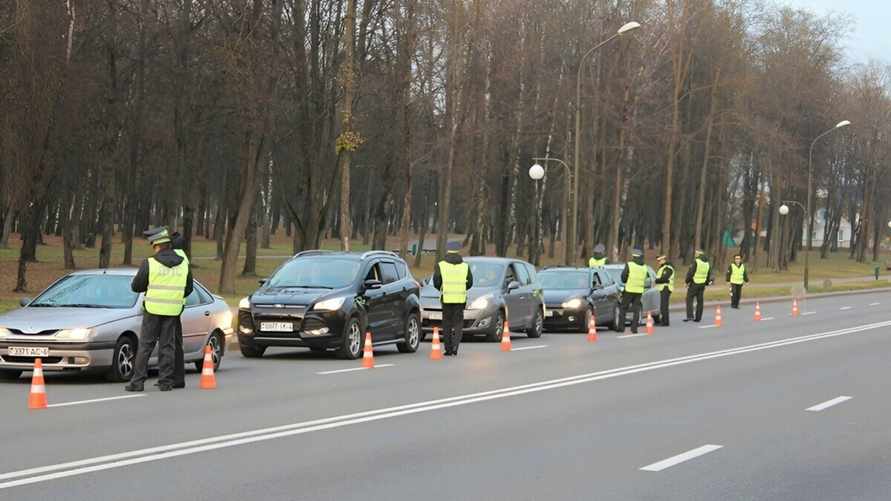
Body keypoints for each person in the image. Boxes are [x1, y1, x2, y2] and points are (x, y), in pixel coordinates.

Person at [125, 227, 193, 392]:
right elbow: (189, 288)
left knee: (146, 345)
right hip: (173, 310)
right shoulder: (183, 263)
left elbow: (137, 286)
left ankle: (138, 382)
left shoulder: (150, 262)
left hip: (153, 309)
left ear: (156, 245)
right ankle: (165, 382)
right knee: (167, 346)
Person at [433, 242, 473, 356]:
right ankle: (455, 346)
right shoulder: (465, 266)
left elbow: (436, 281)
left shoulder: (441, 265)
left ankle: (448, 349)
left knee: (447, 324)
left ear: (447, 251)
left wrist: (442, 288)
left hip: (446, 297)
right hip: (460, 298)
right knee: (458, 323)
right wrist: (461, 288)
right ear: (458, 251)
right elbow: (470, 282)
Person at [619, 249, 647, 334]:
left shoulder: (630, 264)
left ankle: (621, 327)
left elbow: (623, 276)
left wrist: (625, 281)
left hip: (629, 290)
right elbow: (645, 278)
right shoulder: (644, 267)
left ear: (634, 256)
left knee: (623, 308)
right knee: (636, 309)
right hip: (639, 291)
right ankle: (634, 328)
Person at [684, 250, 713, 322]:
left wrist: (687, 281)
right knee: (700, 301)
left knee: (689, 298)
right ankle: (698, 317)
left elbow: (691, 273)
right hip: (702, 284)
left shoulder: (696, 261)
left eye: (696, 253)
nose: (695, 254)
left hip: (694, 283)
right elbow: (708, 275)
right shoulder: (707, 263)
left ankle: (690, 316)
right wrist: (706, 283)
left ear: (700, 254)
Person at [654, 255, 674, 326]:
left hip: (666, 288)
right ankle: (664, 320)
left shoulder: (668, 268)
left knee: (664, 306)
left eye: (660, 260)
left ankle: (665, 322)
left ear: (664, 260)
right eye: (658, 261)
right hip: (662, 288)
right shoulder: (662, 268)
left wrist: (656, 281)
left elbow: (664, 278)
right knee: (662, 306)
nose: (659, 262)